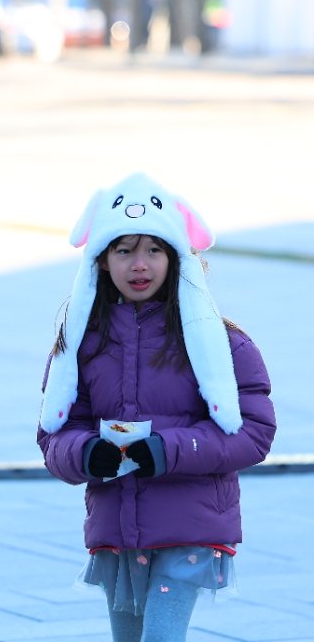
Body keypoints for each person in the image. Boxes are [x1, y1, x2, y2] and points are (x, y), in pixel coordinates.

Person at [37, 173, 276, 642]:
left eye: (154, 249)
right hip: (117, 529)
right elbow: (55, 432)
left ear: (176, 256)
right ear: (101, 260)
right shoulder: (82, 343)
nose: (139, 264)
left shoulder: (218, 342)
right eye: (124, 250)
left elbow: (253, 432)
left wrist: (170, 449)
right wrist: (85, 453)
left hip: (190, 527)